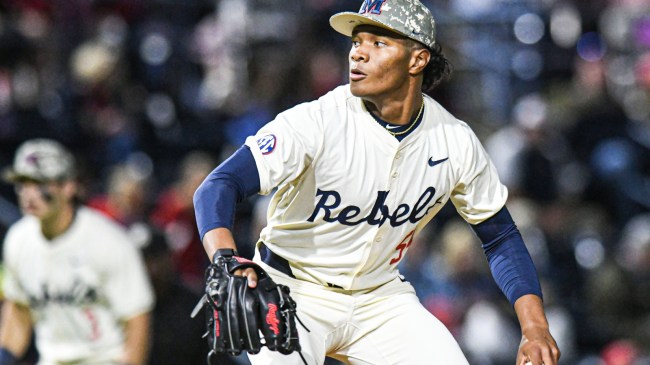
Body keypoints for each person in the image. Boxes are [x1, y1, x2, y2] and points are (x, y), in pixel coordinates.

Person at [193, 0, 561, 364]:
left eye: (378, 43)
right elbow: (218, 185)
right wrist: (225, 259)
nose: (358, 55)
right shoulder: (316, 121)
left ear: (417, 59)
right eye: (357, 42)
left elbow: (500, 236)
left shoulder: (454, 140)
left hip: (380, 297)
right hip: (293, 289)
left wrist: (534, 327)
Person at [0, 139, 154, 365]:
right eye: (22, 183)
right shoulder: (18, 239)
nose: (28, 194)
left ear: (68, 186)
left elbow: (136, 320)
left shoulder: (107, 240)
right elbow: (19, 310)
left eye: (39, 183)